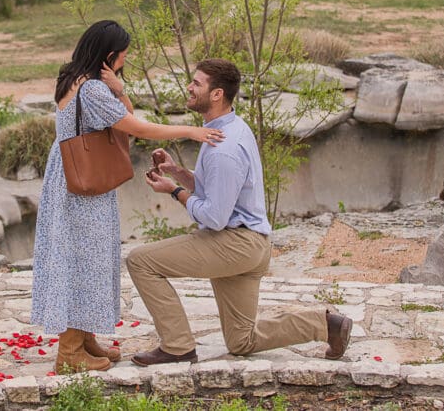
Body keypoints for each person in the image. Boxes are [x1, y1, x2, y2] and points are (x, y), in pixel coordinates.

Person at [126, 58, 353, 366]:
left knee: (140, 261)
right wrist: (178, 172)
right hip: (253, 245)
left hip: (235, 244)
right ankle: (326, 325)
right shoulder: (230, 126)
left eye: (197, 83)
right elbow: (220, 190)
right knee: (241, 341)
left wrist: (174, 192)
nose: (189, 88)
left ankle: (178, 346)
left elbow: (215, 217)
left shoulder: (224, 148)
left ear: (217, 94)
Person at [31, 20, 226, 373]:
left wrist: (119, 89)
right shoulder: (91, 91)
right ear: (108, 56)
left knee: (87, 257)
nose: (125, 61)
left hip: (73, 179)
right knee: (83, 259)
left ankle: (84, 339)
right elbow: (135, 126)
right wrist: (190, 131)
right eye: (122, 56)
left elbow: (124, 115)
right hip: (83, 187)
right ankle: (70, 352)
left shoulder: (75, 79)